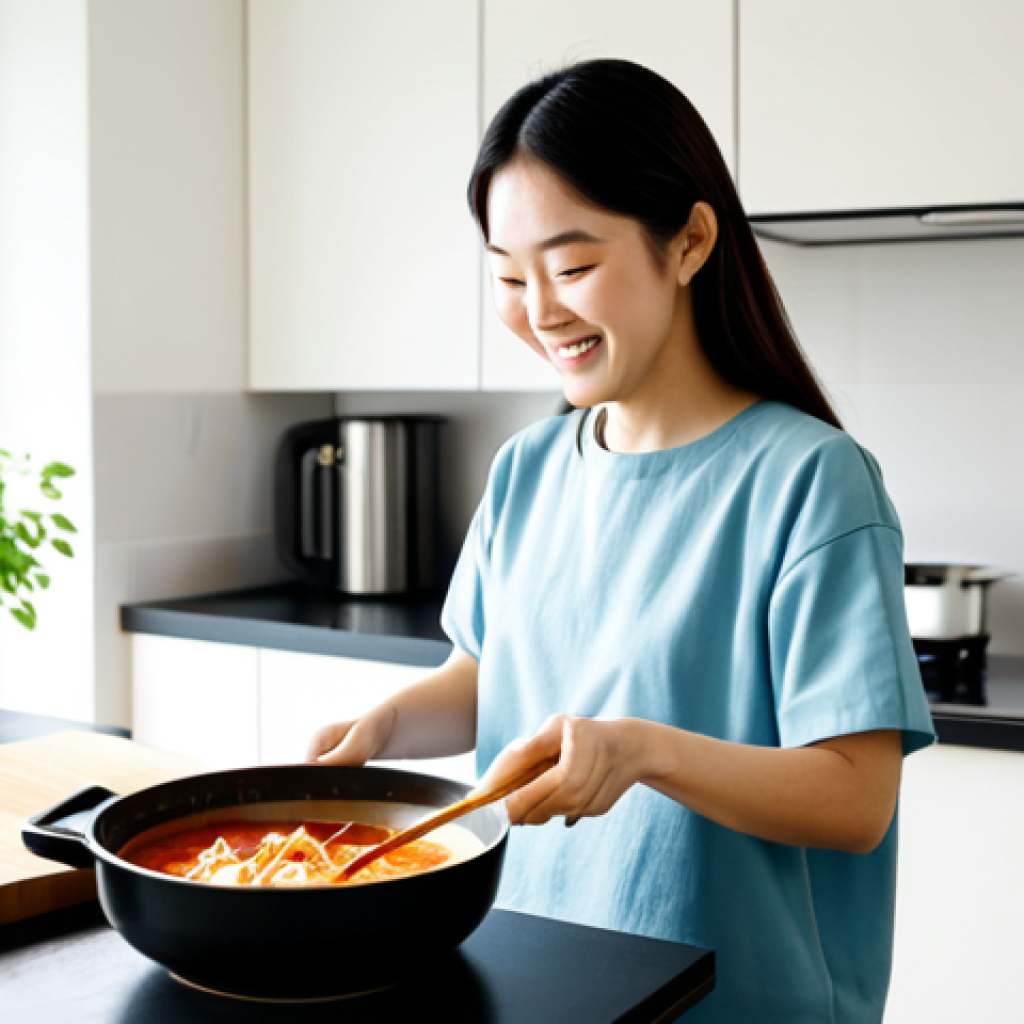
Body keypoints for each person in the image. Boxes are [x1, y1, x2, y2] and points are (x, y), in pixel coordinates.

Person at [307, 59, 935, 1023]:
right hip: (526, 974)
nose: (541, 309)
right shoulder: (526, 468)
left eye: (572, 267)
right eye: (510, 278)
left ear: (688, 241)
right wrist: (387, 729)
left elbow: (854, 801)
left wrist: (643, 752)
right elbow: (489, 675)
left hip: (734, 999)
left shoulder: (811, 481)